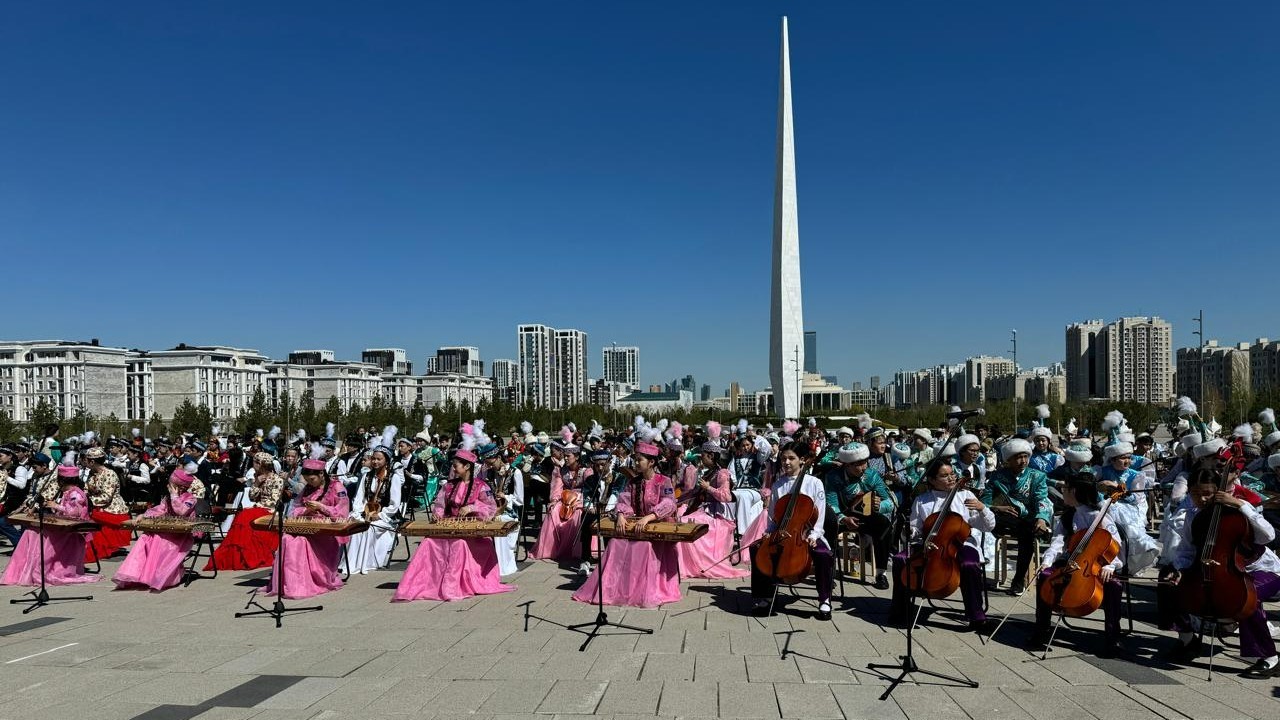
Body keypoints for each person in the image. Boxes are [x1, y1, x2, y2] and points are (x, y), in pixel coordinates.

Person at [1165, 468, 1280, 678]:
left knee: (1248, 595)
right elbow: (1188, 550)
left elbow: (1268, 536)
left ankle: (1269, 658)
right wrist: (1180, 570)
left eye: (1208, 493)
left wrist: (1241, 505)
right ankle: (1188, 640)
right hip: (1218, 570)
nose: (1202, 498)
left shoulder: (1238, 512)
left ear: (1218, 490)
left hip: (1261, 569)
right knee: (1169, 582)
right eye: (1196, 494)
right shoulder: (1194, 516)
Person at [392, 440, 514, 602]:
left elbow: (491, 509)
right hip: (450, 527)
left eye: (456, 465)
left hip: (472, 532)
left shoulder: (480, 486)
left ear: (467, 467)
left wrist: (471, 508)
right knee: (428, 542)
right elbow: (440, 505)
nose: (453, 469)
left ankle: (452, 586)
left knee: (459, 544)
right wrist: (437, 514)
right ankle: (427, 583)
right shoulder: (448, 486)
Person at [889, 460, 996, 632]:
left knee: (969, 564)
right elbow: (916, 529)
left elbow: (988, 526)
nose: (951, 478)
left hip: (961, 543)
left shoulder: (965, 496)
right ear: (931, 480)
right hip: (928, 545)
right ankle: (900, 610)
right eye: (944, 476)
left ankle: (977, 616)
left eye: (952, 474)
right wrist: (910, 533)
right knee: (900, 559)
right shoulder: (922, 500)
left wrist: (983, 508)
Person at [573, 437, 680, 607]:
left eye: (639, 460)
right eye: (635, 459)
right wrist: (621, 514)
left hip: (657, 528)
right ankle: (614, 588)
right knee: (615, 542)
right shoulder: (633, 482)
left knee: (644, 546)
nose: (636, 463)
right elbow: (624, 501)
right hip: (637, 525)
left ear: (651, 462)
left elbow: (669, 503)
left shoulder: (663, 481)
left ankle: (641, 589)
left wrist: (649, 517)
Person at [1028, 477, 1125, 656]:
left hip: (1098, 565)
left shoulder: (1099, 516)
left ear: (1073, 491)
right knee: (1045, 575)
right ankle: (1041, 630)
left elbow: (1116, 545)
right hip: (1069, 561)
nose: (1062, 492)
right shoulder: (1067, 515)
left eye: (1064, 488)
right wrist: (1047, 561)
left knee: (1114, 585)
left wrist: (1110, 566)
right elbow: (1058, 542)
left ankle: (1113, 637)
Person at [750, 440, 833, 620]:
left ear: (802, 460)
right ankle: (764, 596)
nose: (786, 462)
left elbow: (819, 517)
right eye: (783, 459)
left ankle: (824, 599)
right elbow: (773, 518)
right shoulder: (778, 485)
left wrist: (813, 535)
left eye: (791, 458)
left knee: (822, 554)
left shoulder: (814, 483)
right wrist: (769, 531)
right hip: (781, 532)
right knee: (756, 548)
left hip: (806, 533)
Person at [1, 464, 99, 586]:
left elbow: (75, 513)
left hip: (72, 531)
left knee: (37, 534)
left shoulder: (76, 494)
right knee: (31, 531)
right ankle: (24, 569)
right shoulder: (68, 492)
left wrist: (55, 506)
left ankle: (39, 569)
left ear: (62, 480)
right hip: (63, 526)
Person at [265, 458, 350, 599]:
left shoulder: (337, 488)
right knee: (286, 538)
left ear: (322, 474)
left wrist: (321, 507)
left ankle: (305, 582)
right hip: (307, 525)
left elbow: (342, 513)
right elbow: (294, 509)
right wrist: (306, 511)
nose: (310, 483)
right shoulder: (308, 488)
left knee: (299, 542)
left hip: (326, 531)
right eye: (307, 479)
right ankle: (289, 583)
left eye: (312, 479)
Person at [981, 438, 1051, 594]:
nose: (1023, 461)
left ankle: (1018, 581)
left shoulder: (1037, 476)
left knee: (1027, 535)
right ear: (1009, 459)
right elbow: (985, 501)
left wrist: (1041, 518)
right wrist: (997, 507)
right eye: (1018, 457)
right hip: (1000, 519)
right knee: (1025, 530)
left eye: (1026, 456)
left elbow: (1041, 498)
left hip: (1026, 520)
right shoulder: (997, 476)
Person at [112, 468, 199, 592]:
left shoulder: (190, 499)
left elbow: (181, 511)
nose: (168, 486)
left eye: (172, 484)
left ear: (180, 486)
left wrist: (174, 496)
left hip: (180, 534)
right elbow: (159, 510)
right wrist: (145, 515)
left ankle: (159, 577)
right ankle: (138, 574)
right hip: (167, 529)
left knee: (159, 539)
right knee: (145, 537)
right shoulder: (167, 498)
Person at [676, 437, 749, 580]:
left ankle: (693, 564)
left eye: (703, 455)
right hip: (704, 510)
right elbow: (694, 493)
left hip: (716, 515)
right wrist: (677, 500)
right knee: (679, 518)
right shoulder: (707, 472)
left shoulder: (722, 473)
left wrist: (708, 488)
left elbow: (726, 496)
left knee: (685, 523)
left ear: (710, 455)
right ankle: (685, 563)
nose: (701, 458)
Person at [823, 442, 893, 589]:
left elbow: (890, 501)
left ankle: (881, 573)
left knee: (884, 525)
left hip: (867, 515)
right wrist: (843, 518)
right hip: (842, 516)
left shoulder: (872, 475)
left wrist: (879, 506)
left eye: (865, 462)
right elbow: (831, 504)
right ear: (847, 464)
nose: (864, 467)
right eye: (858, 464)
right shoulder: (833, 477)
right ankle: (828, 572)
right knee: (828, 525)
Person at [205, 452, 283, 570]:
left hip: (269, 510)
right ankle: (237, 554)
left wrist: (258, 504)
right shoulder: (258, 477)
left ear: (262, 464)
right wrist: (257, 483)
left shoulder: (277, 479)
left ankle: (249, 553)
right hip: (258, 507)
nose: (254, 465)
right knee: (243, 515)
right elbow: (252, 496)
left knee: (246, 515)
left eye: (256, 463)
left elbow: (273, 501)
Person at [343, 441, 404, 574]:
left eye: (379, 459)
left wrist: (380, 515)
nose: (375, 462)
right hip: (366, 513)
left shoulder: (393, 478)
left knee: (368, 529)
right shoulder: (366, 476)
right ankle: (351, 562)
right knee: (354, 525)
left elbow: (394, 505)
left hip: (386, 517)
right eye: (373, 459)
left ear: (386, 460)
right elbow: (359, 498)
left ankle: (366, 562)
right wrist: (358, 513)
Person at [530, 441, 589, 565]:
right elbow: (557, 488)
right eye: (565, 455)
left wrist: (580, 500)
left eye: (568, 456)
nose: (565, 458)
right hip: (565, 497)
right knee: (554, 510)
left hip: (581, 499)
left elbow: (589, 490)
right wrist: (554, 500)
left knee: (578, 513)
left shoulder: (586, 471)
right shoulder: (560, 471)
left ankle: (577, 551)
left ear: (577, 456)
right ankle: (550, 549)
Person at [83, 447, 132, 563]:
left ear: (92, 462)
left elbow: (106, 497)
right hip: (96, 504)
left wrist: (88, 501)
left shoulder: (110, 474)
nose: (85, 462)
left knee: (91, 517)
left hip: (111, 508)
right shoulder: (92, 473)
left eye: (87, 460)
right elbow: (86, 489)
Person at [482, 443, 524, 577]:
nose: (489, 467)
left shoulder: (515, 473)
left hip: (509, 514)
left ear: (499, 457)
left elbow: (520, 500)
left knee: (498, 521)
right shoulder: (488, 473)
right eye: (487, 464)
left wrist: (505, 496)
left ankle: (501, 566)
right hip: (491, 511)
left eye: (491, 463)